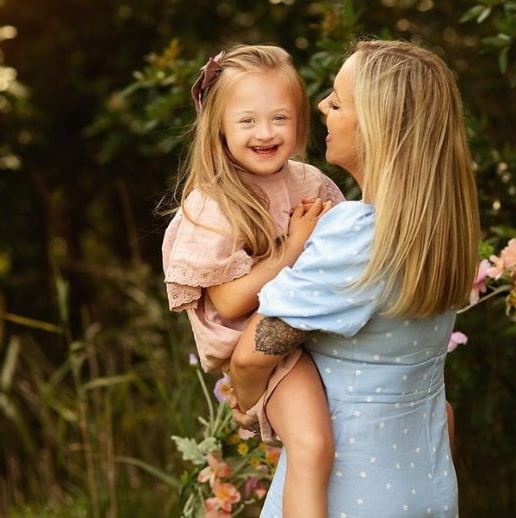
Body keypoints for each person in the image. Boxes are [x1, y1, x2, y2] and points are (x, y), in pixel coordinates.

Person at [230, 39, 480, 517]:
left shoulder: (358, 235)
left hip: (347, 494)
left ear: (377, 127)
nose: (322, 105)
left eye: (338, 101)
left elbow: (249, 359)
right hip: (425, 484)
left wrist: (248, 407)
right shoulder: (441, 228)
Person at [161, 44, 344, 518]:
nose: (265, 133)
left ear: (300, 121)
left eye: (279, 118)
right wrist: (292, 248)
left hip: (311, 329)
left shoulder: (310, 183)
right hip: (261, 346)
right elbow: (229, 302)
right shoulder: (214, 203)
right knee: (312, 443)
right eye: (247, 121)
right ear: (219, 125)